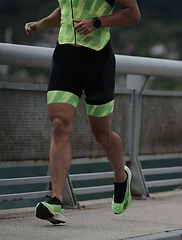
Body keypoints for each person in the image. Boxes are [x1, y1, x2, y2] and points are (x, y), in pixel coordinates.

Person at [24, 0, 141, 224]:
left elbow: (133, 14)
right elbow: (66, 9)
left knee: (102, 133)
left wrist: (97, 22)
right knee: (60, 124)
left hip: (98, 60)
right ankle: (56, 200)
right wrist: (41, 24)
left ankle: (121, 176)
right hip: (65, 57)